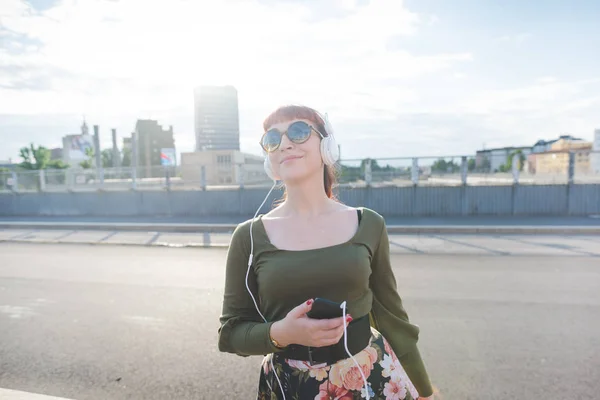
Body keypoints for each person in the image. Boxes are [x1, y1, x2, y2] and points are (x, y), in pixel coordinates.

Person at [218, 105, 435, 400]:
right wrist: (282, 333)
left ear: (327, 146)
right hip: (291, 386)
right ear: (269, 157)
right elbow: (230, 333)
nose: (284, 143)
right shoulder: (249, 237)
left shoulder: (368, 224)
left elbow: (392, 319)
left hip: (370, 377)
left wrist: (424, 390)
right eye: (272, 137)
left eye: (298, 131)